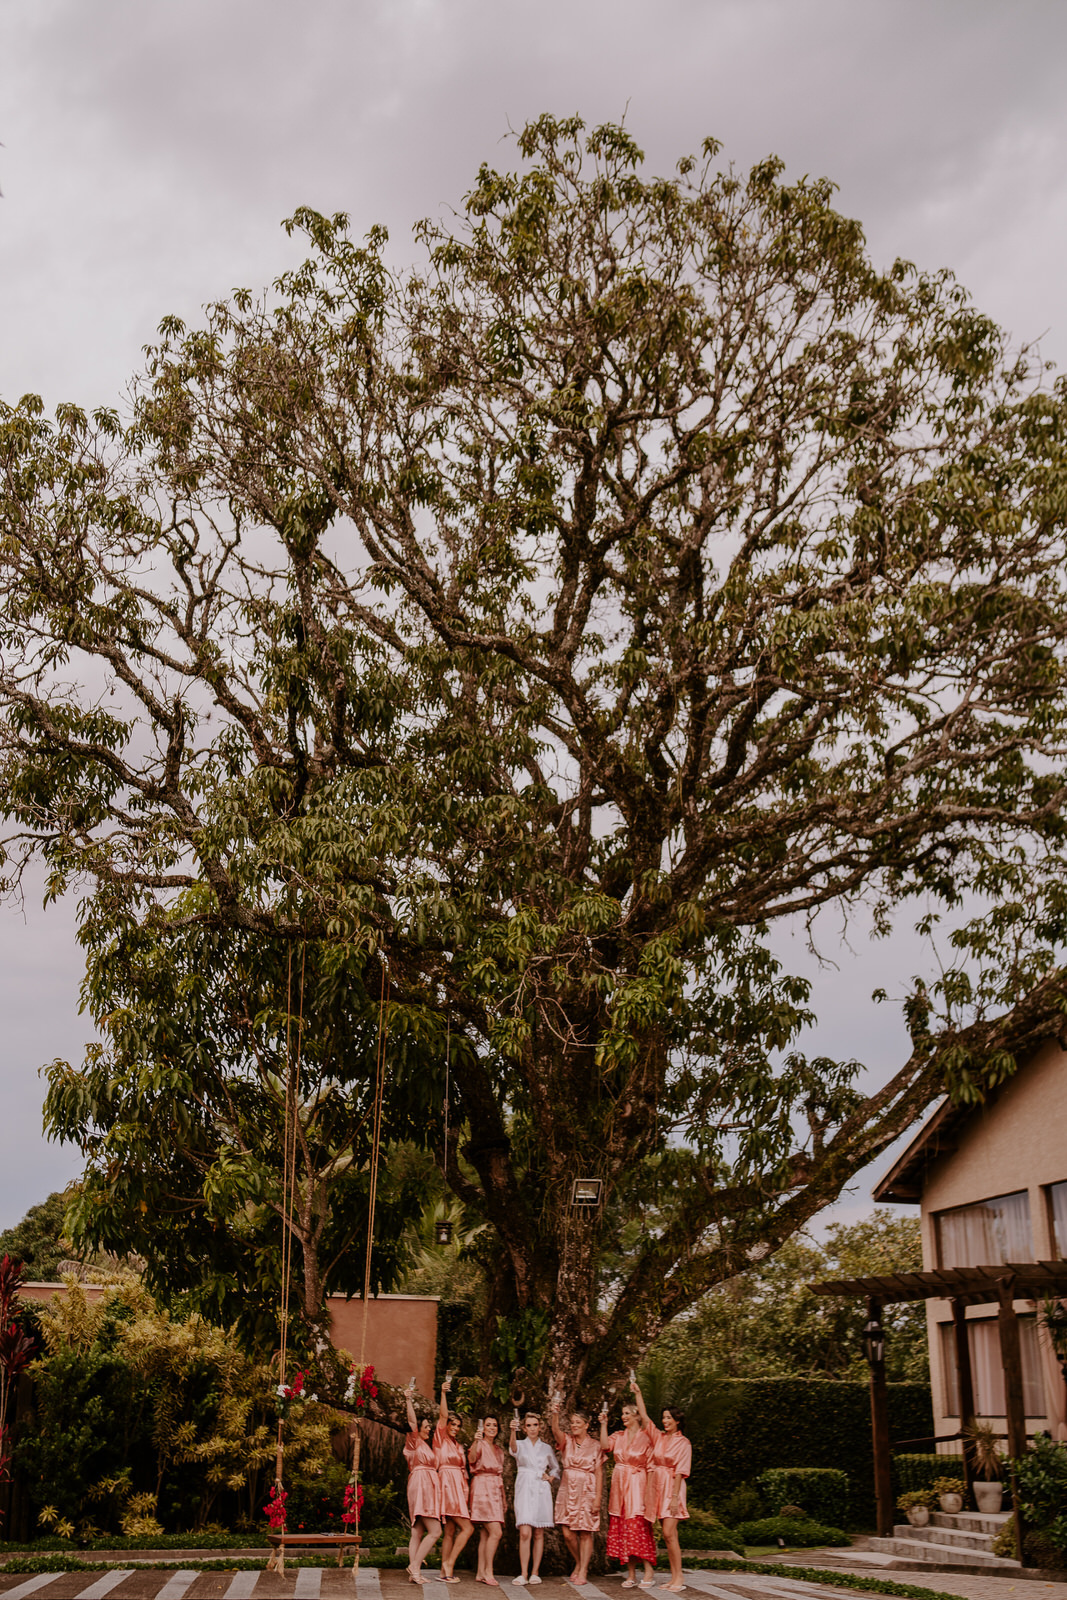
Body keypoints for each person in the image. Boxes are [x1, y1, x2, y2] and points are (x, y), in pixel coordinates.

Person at [633, 1381, 691, 1594]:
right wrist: (638, 1393)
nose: (665, 1421)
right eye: (664, 1418)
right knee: (667, 1536)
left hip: (673, 1487)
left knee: (669, 1532)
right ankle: (674, 1577)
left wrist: (674, 1497)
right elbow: (644, 1418)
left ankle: (679, 1576)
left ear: (677, 1421)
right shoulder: (658, 1437)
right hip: (658, 1486)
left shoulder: (684, 1443)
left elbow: (680, 1471)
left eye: (668, 1418)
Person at [600, 1392, 656, 1587]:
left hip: (638, 1485)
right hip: (620, 1487)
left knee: (638, 1527)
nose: (623, 1416)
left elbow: (651, 1467)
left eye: (627, 1413)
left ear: (636, 1415)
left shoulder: (646, 1438)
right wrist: (603, 1424)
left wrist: (649, 1495)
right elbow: (605, 1446)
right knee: (624, 1528)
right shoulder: (619, 1435)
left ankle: (648, 1570)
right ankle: (631, 1574)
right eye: (622, 1413)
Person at [547, 1400, 602, 1587]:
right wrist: (555, 1414)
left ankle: (583, 1569)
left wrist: (597, 1498)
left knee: (585, 1532)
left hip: (587, 1489)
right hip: (567, 1489)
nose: (574, 1425)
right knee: (568, 1533)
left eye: (578, 1422)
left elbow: (599, 1473)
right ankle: (578, 1562)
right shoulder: (567, 1441)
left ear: (586, 1425)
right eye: (572, 1422)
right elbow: (555, 1430)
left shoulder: (595, 1445)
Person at [508, 1408, 560, 1585]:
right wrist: (512, 1431)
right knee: (524, 1532)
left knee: (538, 1532)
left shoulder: (546, 1448)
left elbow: (555, 1467)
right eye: (528, 1425)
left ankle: (535, 1572)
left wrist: (550, 1478)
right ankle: (523, 1573)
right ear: (524, 1428)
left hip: (540, 1488)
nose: (532, 1428)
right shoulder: (519, 1444)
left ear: (540, 1427)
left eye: (535, 1425)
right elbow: (513, 1449)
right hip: (524, 1486)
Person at [435, 1376, 475, 1582]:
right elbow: (442, 1415)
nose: (456, 1428)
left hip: (458, 1487)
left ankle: (445, 1572)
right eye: (453, 1424)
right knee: (468, 1528)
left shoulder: (458, 1445)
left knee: (450, 1530)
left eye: (459, 1425)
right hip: (447, 1485)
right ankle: (450, 1562)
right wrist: (443, 1393)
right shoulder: (440, 1439)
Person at [403, 1381, 442, 1585]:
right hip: (421, 1485)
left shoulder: (427, 1445)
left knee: (417, 1531)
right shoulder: (414, 1442)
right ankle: (415, 1565)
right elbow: (411, 1422)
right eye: (426, 1426)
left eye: (429, 1427)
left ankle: (415, 1574)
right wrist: (408, 1400)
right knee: (435, 1531)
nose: (429, 1429)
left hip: (426, 1485)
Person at [468, 1415, 506, 1587]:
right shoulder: (480, 1444)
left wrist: (503, 1498)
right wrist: (476, 1441)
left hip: (495, 1489)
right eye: (488, 1425)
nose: (492, 1428)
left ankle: (480, 1571)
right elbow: (471, 1460)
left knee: (485, 1533)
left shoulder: (498, 1449)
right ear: (483, 1428)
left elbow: (499, 1474)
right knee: (496, 1532)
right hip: (482, 1488)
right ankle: (488, 1571)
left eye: (494, 1425)